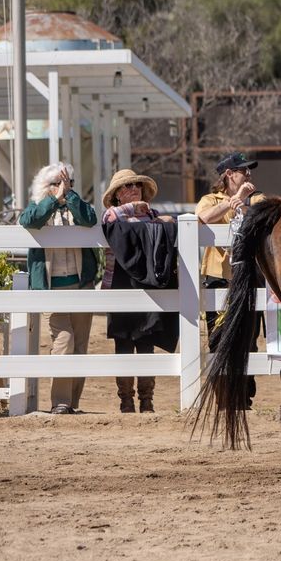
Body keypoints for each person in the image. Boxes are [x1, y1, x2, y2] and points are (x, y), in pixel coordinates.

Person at [19, 163, 98, 415]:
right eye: (56, 182)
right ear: (45, 186)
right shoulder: (38, 207)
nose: (62, 187)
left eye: (66, 182)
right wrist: (54, 199)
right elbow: (29, 220)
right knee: (64, 339)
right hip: (51, 288)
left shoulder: (77, 206)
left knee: (81, 345)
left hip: (80, 284)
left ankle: (73, 403)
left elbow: (90, 219)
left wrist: (70, 196)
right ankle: (60, 402)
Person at [101, 168, 175, 413]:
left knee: (146, 341)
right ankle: (126, 401)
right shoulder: (115, 215)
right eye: (126, 186)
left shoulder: (154, 216)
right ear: (117, 195)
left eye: (136, 185)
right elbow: (108, 220)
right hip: (120, 285)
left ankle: (146, 400)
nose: (132, 189)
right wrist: (135, 209)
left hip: (147, 284)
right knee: (123, 343)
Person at [196, 151, 265, 407]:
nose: (249, 174)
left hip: (248, 277)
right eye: (243, 170)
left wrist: (244, 205)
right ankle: (224, 396)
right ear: (229, 174)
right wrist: (233, 201)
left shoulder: (258, 199)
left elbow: (265, 218)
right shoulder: (209, 199)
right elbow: (201, 219)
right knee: (219, 338)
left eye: (250, 170)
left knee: (249, 338)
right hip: (218, 277)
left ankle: (244, 395)